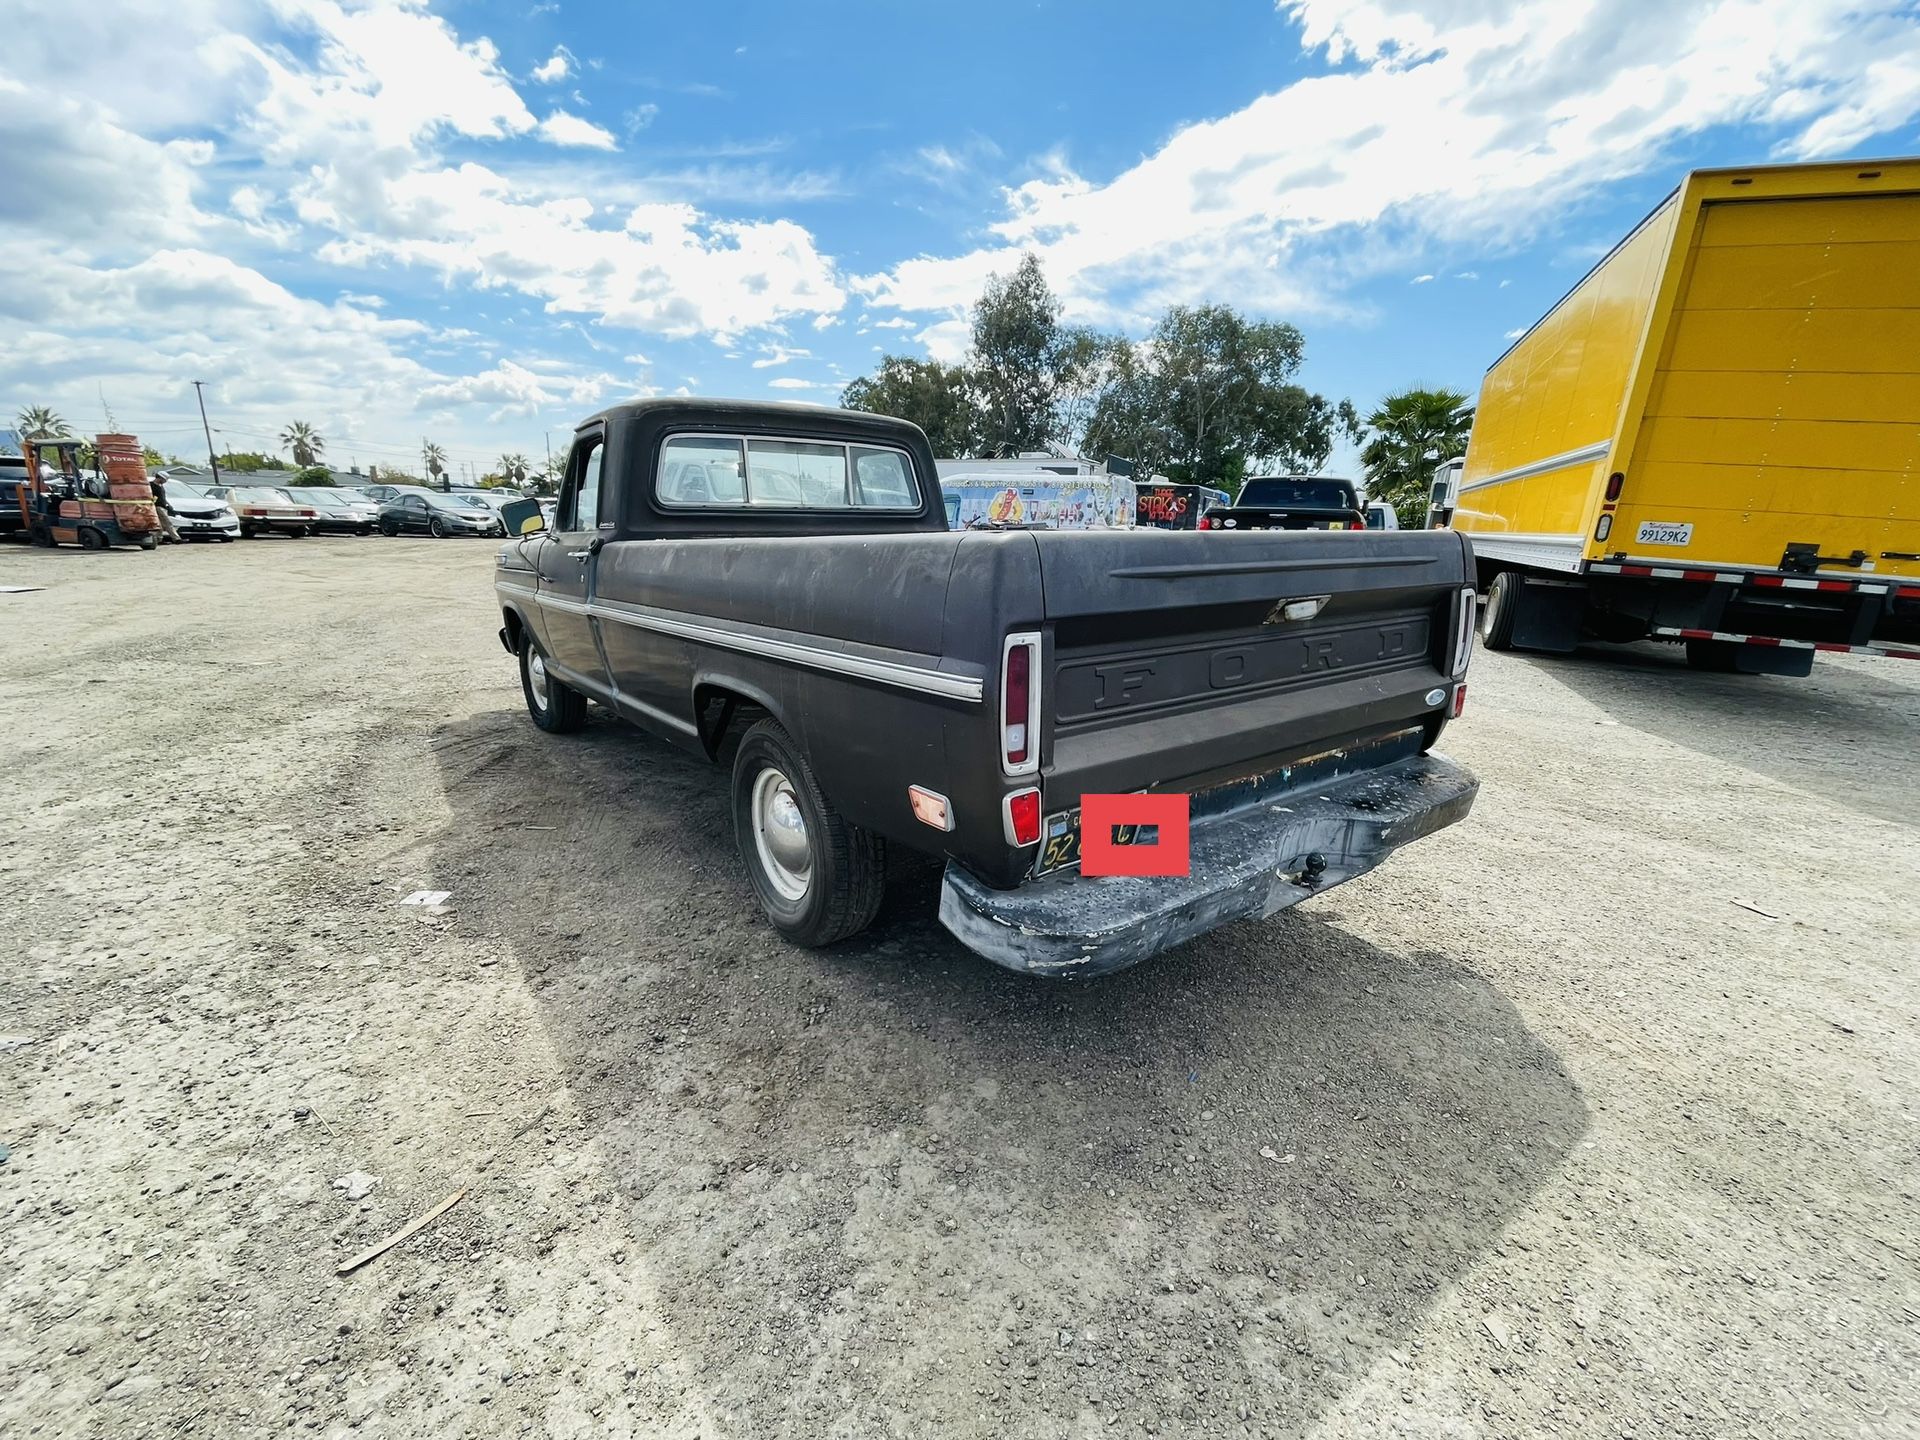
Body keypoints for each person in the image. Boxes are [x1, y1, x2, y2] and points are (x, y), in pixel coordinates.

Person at [149, 475, 182, 544]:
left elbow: (162, 497)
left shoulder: (161, 486)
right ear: (160, 478)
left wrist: (168, 504)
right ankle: (176, 538)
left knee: (160, 524)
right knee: (167, 522)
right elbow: (151, 496)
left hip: (163, 506)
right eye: (165, 479)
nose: (165, 481)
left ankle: (159, 539)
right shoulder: (151, 485)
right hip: (158, 506)